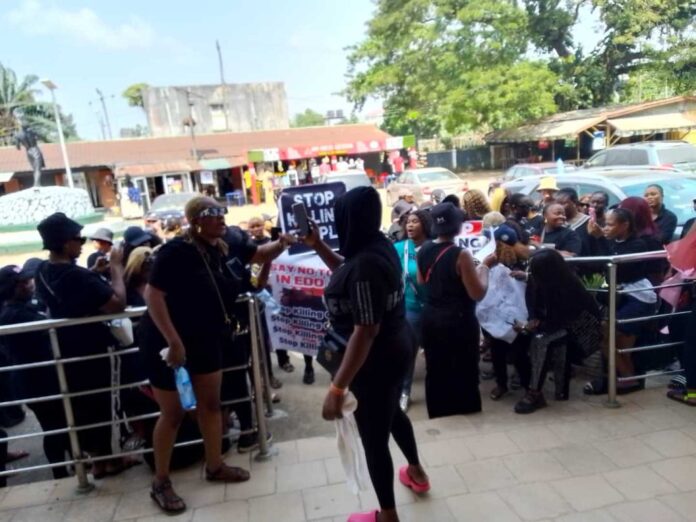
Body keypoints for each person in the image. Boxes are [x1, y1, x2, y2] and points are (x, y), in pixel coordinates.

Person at [304, 186, 429, 522]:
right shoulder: (378, 245)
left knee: (375, 440)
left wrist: (337, 388)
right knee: (392, 415)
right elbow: (348, 271)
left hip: (374, 362)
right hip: (397, 345)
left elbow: (365, 329)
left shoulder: (365, 267)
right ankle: (416, 472)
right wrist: (317, 246)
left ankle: (387, 517)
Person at [139, 197, 257, 514]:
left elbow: (251, 274)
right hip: (167, 343)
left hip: (206, 338)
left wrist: (275, 250)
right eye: (213, 214)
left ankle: (215, 465)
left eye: (223, 213)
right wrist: (174, 341)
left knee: (210, 405)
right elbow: (153, 294)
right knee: (174, 413)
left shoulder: (219, 250)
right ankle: (160, 481)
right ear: (195, 220)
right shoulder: (176, 251)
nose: (221, 219)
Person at [35, 213, 135, 479]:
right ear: (66, 243)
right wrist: (115, 268)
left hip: (67, 350)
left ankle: (98, 461)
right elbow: (118, 304)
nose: (81, 244)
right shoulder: (76, 276)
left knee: (83, 405)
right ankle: (112, 459)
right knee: (106, 401)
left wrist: (93, 274)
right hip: (95, 349)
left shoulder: (42, 272)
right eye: (77, 239)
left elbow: (72, 289)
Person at [417, 202, 496, 418]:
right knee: (463, 367)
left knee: (436, 368)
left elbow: (421, 281)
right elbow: (477, 293)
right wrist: (485, 268)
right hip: (458, 320)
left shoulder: (423, 249)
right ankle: (464, 409)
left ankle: (439, 411)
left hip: (431, 317)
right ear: (458, 227)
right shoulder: (461, 254)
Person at [514, 249, 601, 413]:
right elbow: (532, 301)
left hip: (580, 330)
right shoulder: (539, 279)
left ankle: (535, 392)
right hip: (555, 324)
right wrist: (533, 319)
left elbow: (564, 320)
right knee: (532, 337)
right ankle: (536, 385)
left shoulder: (570, 288)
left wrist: (532, 326)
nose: (531, 273)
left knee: (541, 340)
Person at [584, 208, 658, 395]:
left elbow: (614, 267)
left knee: (610, 335)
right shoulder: (613, 242)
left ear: (624, 225)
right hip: (622, 296)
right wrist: (599, 239)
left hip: (639, 297)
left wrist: (600, 239)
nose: (605, 228)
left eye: (610, 224)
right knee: (614, 342)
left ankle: (628, 378)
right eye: (604, 224)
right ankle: (626, 379)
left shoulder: (637, 244)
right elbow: (598, 264)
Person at [0, 262, 64, 477]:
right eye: (22, 283)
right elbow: (50, 327)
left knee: (58, 426)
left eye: (28, 281)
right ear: (10, 288)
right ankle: (60, 473)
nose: (29, 285)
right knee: (55, 429)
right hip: (36, 381)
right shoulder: (14, 315)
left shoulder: (21, 309)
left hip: (36, 379)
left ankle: (65, 468)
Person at [393, 210, 433, 412]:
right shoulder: (399, 248)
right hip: (410, 309)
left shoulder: (434, 248)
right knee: (408, 352)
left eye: (415, 222)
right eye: (407, 222)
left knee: (436, 351)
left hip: (435, 307)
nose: (409, 225)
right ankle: (404, 392)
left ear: (425, 225)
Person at [486, 226, 532, 401]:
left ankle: (529, 388)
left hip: (519, 314)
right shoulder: (491, 262)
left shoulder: (525, 262)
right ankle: (502, 384)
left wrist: (526, 277)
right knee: (498, 351)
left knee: (519, 353)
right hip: (497, 313)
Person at [554, 188, 592, 256]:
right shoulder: (555, 223)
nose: (559, 207)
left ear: (574, 202)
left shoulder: (588, 222)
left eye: (563, 203)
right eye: (557, 204)